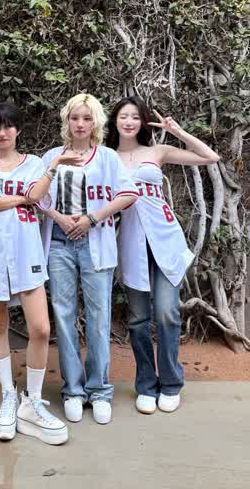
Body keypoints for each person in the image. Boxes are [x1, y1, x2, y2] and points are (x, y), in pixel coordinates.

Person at [0, 102, 78, 446]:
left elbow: (37, 195)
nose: (2, 133)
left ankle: (32, 401)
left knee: (41, 328)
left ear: (18, 129)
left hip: (26, 249)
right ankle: (7, 395)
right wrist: (20, 198)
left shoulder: (35, 163)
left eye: (8, 126)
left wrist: (50, 169)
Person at [28, 93, 139, 425]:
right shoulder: (52, 156)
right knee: (63, 316)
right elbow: (34, 195)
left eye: (87, 118)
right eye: (75, 118)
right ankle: (73, 390)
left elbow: (128, 193)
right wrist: (58, 217)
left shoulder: (106, 157)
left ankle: (99, 390)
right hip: (59, 244)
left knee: (98, 317)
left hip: (95, 242)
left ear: (96, 123)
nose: (80, 124)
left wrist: (92, 218)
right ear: (67, 121)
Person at [106, 96, 219, 414]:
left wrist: (177, 131)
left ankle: (170, 383)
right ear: (114, 121)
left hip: (165, 239)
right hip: (131, 243)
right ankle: (146, 384)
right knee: (138, 319)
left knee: (167, 312)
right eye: (123, 116)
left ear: (142, 122)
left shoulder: (156, 151)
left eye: (135, 117)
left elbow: (210, 157)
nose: (129, 121)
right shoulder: (106, 157)